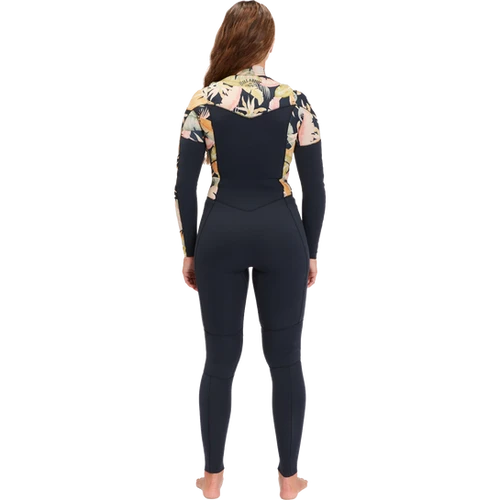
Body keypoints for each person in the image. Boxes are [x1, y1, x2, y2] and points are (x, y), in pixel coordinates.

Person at [172, 1, 326, 498]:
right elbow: (315, 186)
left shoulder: (202, 101)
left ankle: (212, 480)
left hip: (221, 232)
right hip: (281, 231)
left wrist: (190, 250)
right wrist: (310, 251)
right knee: (286, 359)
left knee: (219, 358)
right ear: (268, 43)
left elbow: (184, 186)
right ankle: (289, 481)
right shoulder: (295, 101)